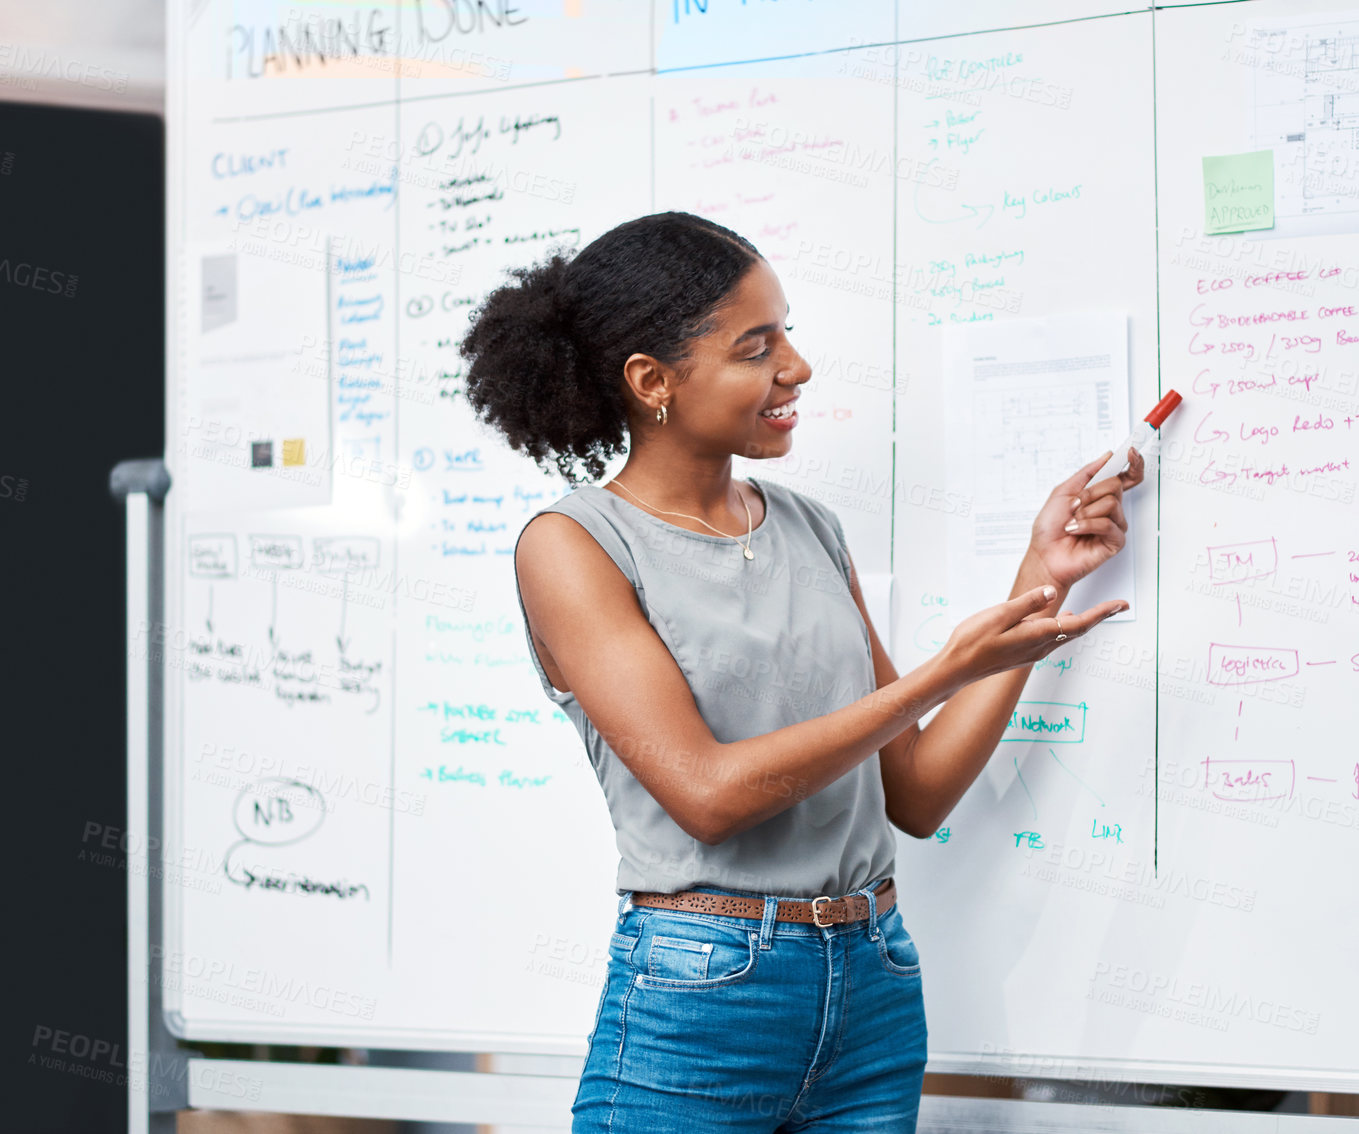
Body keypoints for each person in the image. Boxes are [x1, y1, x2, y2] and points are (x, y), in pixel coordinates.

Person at [459, 211, 1144, 1132]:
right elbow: (706, 794)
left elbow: (919, 793)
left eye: (787, 332)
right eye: (755, 346)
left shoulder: (808, 527)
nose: (796, 367)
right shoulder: (576, 545)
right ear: (652, 381)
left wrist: (1037, 581)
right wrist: (937, 674)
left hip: (875, 982)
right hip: (704, 988)